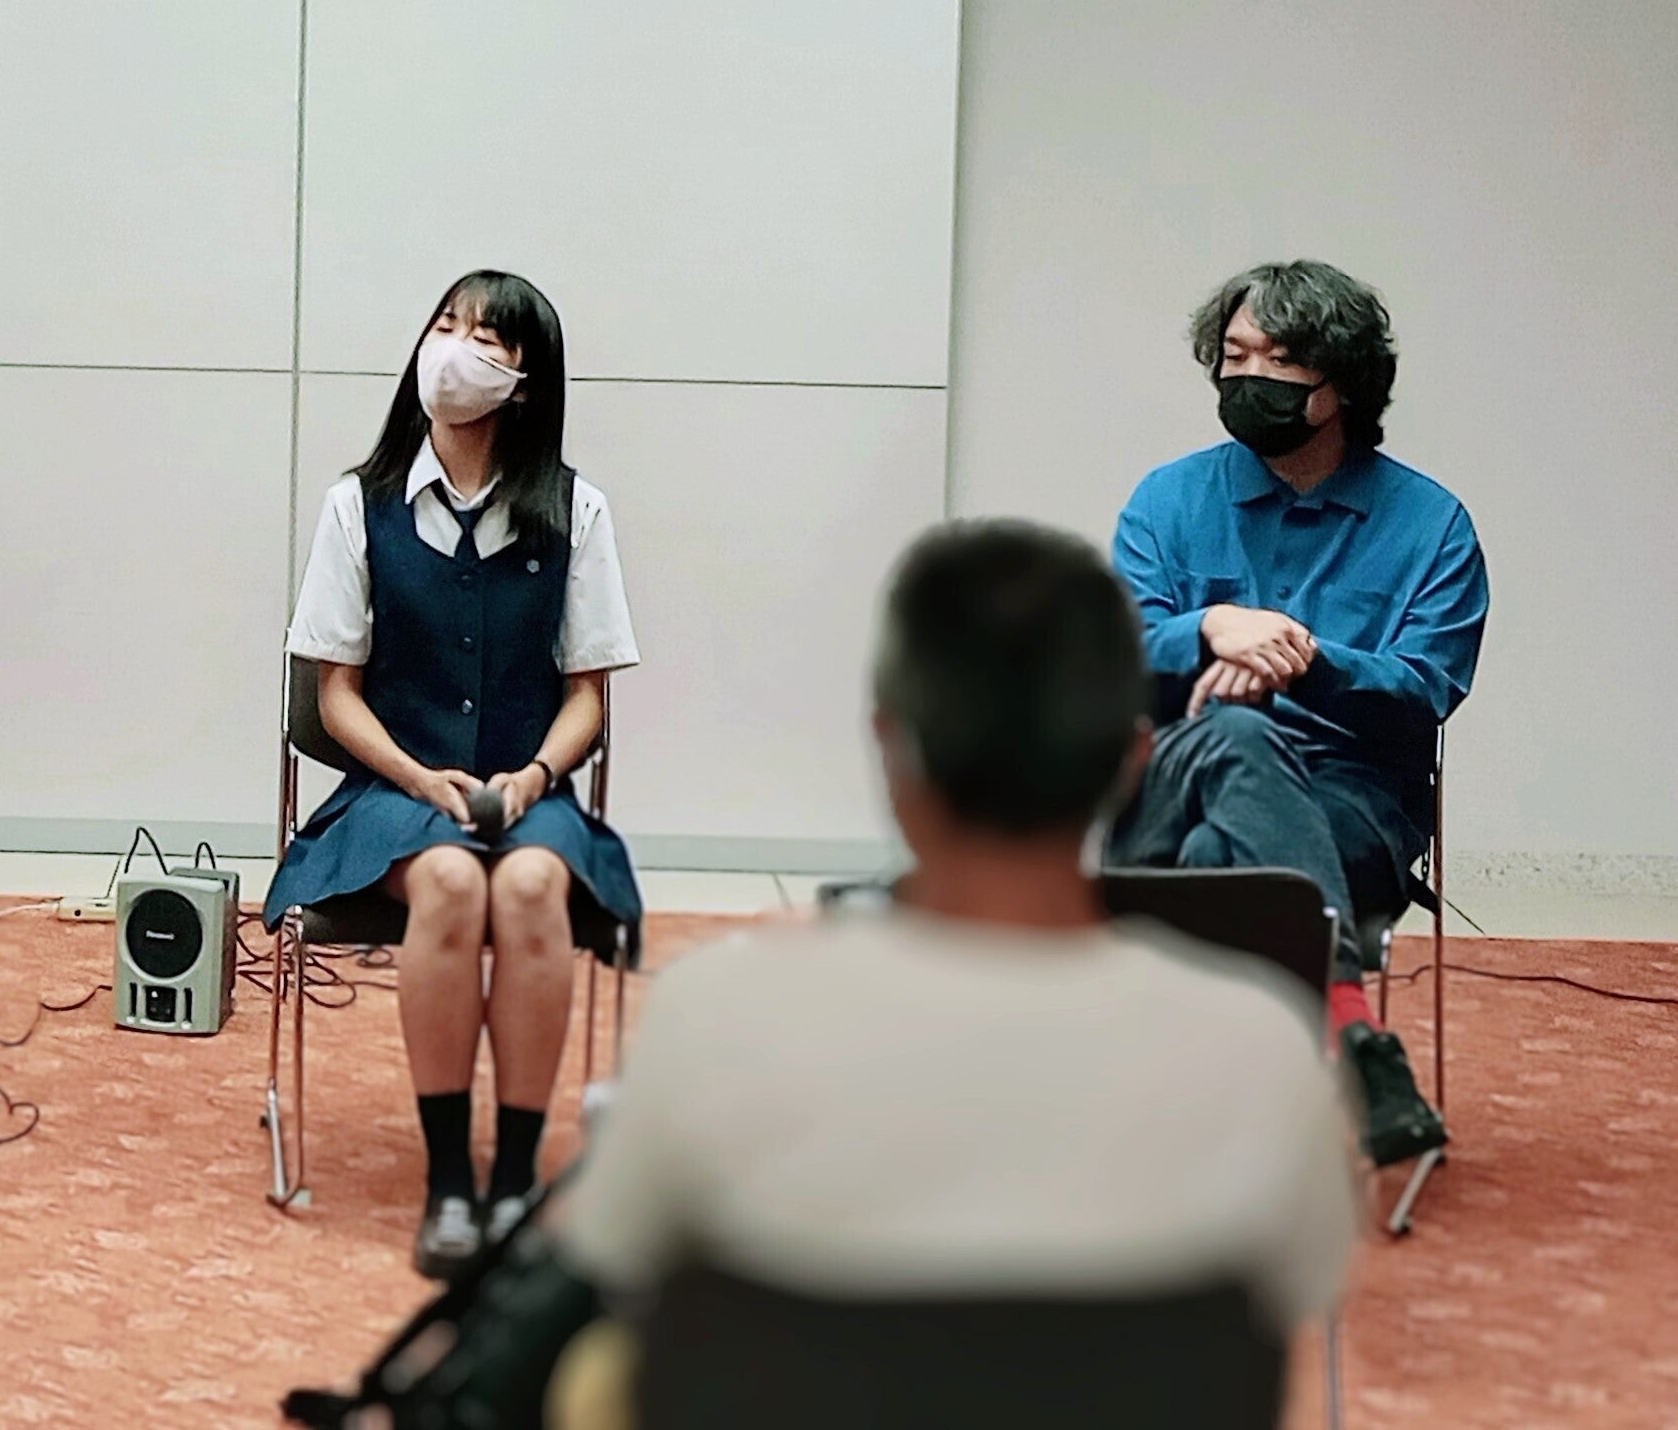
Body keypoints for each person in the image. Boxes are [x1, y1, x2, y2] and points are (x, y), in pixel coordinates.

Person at [549, 521, 1356, 1425]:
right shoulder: (1259, 1054)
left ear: (891, 750)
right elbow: (1290, 1304)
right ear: (1132, 763)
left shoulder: (714, 1018)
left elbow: (617, 1267)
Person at [271, 270, 642, 1278]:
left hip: (530, 787)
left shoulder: (575, 511)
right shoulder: (359, 506)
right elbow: (336, 694)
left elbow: (588, 697)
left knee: (526, 886)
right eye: (445, 325)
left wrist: (532, 778)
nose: (454, 349)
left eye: (487, 337)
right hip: (393, 791)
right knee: (445, 881)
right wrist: (415, 776)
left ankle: (513, 1178)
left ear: (525, 380)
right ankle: (448, 1181)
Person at [1110, 260, 1486, 1166]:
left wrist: (1301, 660)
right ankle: (1353, 1034)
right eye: (1234, 355)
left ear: (1341, 383)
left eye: (1278, 361)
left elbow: (1424, 693)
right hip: (1172, 785)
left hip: (1346, 799)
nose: (1248, 377)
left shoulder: (1431, 526)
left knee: (1220, 857)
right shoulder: (1167, 500)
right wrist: (1210, 627)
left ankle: (1196, 1110)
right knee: (1232, 737)